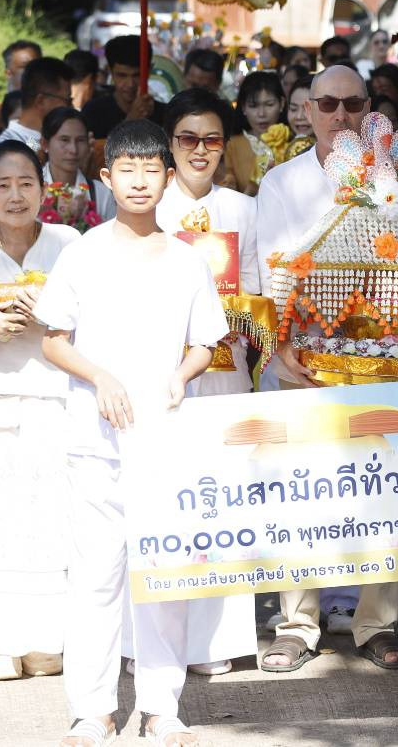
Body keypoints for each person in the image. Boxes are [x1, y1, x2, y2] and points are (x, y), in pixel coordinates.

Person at [35, 120, 228, 747]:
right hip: (95, 442)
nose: (140, 179)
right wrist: (100, 377)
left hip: (166, 442)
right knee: (96, 575)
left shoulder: (186, 259)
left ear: (169, 178)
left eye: (152, 169)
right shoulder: (82, 252)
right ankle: (93, 710)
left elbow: (205, 343)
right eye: (128, 169)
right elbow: (52, 338)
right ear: (107, 178)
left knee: (165, 574)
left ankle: (160, 707)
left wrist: (181, 374)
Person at [254, 65, 398, 674]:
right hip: (303, 357)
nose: (340, 115)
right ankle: (298, 623)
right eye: (328, 104)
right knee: (300, 491)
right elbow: (271, 272)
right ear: (308, 111)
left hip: (376, 355)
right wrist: (280, 346)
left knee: (379, 487)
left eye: (352, 104)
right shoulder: (281, 182)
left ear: (370, 108)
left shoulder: (396, 180)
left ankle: (376, 623)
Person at [0, 141, 81, 681]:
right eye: (2, 185)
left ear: (44, 189)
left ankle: (48, 638)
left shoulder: (69, 243)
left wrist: (44, 318)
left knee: (49, 516)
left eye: (26, 182)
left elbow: (85, 317)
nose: (15, 194)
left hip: (54, 397)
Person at [149, 88, 260, 676]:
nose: (199, 149)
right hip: (162, 379)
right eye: (187, 138)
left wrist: (243, 313)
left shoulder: (244, 211)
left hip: (227, 378)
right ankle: (153, 643)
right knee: (164, 506)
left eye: (211, 139)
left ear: (225, 146)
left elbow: (264, 298)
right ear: (169, 143)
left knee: (220, 505)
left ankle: (213, 645)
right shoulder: (147, 207)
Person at [41, 108, 114, 226]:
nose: (73, 150)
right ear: (45, 144)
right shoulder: (30, 191)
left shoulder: (102, 194)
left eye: (80, 140)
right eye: (64, 140)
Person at [82, 36, 164, 140]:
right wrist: (131, 121)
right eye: (122, 75)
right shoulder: (94, 112)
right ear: (110, 71)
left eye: (137, 75)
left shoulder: (166, 115)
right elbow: (93, 153)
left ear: (149, 70)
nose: (130, 84)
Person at [228, 70, 285, 195]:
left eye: (269, 104)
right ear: (243, 107)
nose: (261, 114)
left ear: (282, 104)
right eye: (253, 106)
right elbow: (227, 192)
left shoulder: (293, 143)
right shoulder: (232, 145)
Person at [2, 57, 74, 154]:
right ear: (41, 101)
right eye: (67, 100)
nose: (71, 107)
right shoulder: (9, 147)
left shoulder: (33, 139)